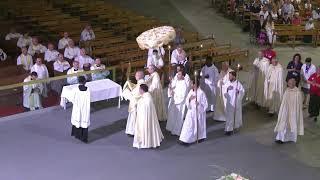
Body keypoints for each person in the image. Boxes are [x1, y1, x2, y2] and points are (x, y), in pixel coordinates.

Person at [133, 84, 164, 149]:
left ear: (142, 90)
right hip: (145, 116)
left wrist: (138, 104)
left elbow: (145, 107)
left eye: (139, 89)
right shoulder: (146, 96)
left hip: (145, 118)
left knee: (145, 127)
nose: (139, 90)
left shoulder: (147, 99)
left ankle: (147, 142)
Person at [274, 78, 304, 144]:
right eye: (289, 83)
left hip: (293, 112)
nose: (289, 84)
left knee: (292, 124)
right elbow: (283, 101)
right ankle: (280, 138)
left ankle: (291, 138)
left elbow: (298, 105)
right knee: (283, 123)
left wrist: (294, 112)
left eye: (291, 83)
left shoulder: (298, 92)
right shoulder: (287, 90)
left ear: (294, 83)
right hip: (286, 111)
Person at [179, 78, 208, 144]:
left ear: (195, 84)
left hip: (198, 113)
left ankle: (199, 137)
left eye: (192, 83)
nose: (190, 84)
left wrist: (199, 104)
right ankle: (185, 139)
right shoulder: (191, 91)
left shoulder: (201, 93)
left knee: (197, 126)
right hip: (190, 112)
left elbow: (205, 105)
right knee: (188, 126)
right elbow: (187, 101)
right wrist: (189, 99)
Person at [122, 71, 145, 136]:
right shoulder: (141, 82)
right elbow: (136, 88)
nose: (135, 76)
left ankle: (134, 131)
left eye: (136, 75)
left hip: (136, 104)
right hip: (138, 103)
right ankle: (132, 130)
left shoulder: (141, 83)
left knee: (134, 118)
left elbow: (135, 94)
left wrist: (127, 92)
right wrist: (130, 84)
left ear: (139, 76)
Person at [166, 70, 188, 136]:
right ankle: (172, 128)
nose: (177, 76)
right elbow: (175, 89)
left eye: (179, 74)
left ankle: (177, 130)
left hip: (180, 103)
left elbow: (183, 95)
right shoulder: (178, 82)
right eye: (177, 74)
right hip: (175, 101)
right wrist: (171, 89)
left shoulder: (184, 84)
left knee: (179, 117)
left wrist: (174, 94)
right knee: (173, 115)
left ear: (183, 76)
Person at [71, 76, 91, 143]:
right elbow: (90, 99)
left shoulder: (75, 89)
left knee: (77, 120)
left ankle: (76, 134)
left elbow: (72, 99)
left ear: (78, 81)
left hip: (77, 108)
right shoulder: (88, 90)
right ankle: (84, 138)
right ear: (85, 82)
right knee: (84, 122)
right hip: (85, 108)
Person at [224, 71, 245, 135]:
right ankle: (229, 129)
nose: (229, 77)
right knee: (229, 116)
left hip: (235, 103)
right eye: (229, 76)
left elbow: (242, 92)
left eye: (230, 76)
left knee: (234, 116)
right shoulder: (227, 83)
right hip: (229, 103)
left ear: (234, 76)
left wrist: (238, 92)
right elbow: (223, 91)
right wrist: (227, 89)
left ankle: (231, 129)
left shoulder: (238, 84)